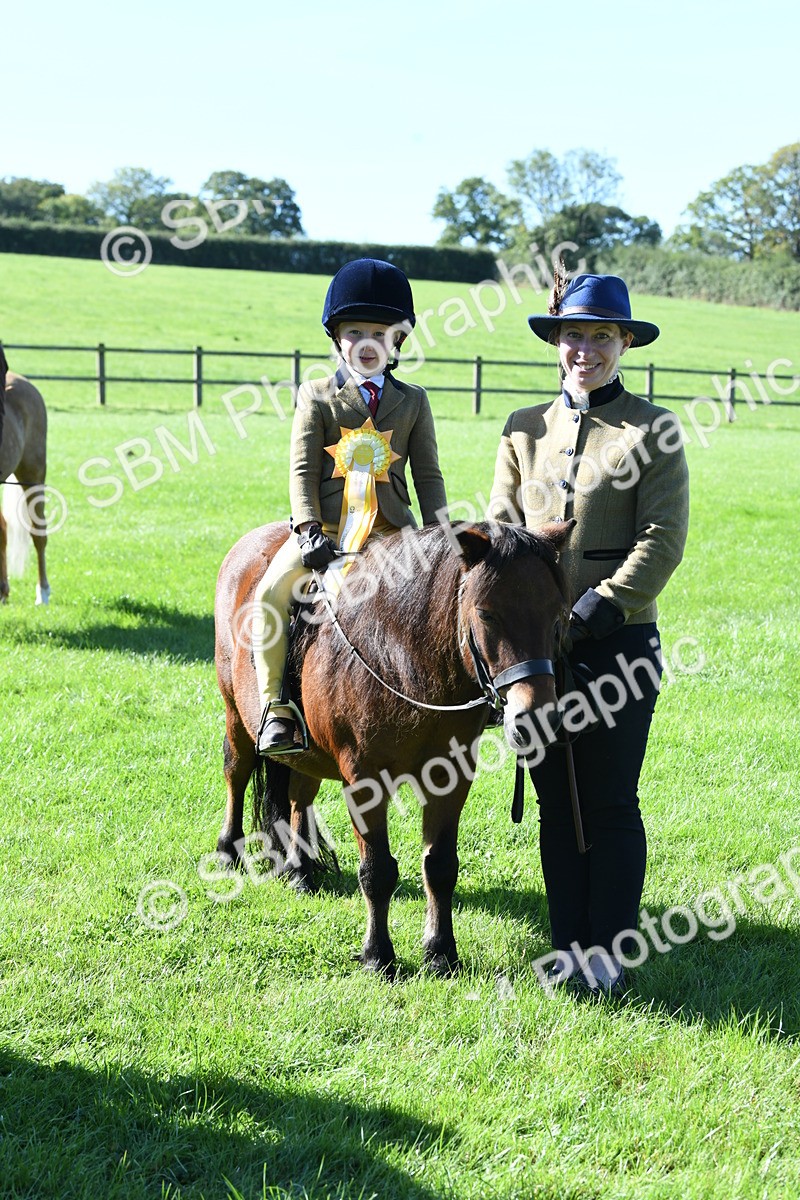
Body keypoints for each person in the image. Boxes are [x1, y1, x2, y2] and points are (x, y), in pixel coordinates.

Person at [489, 271, 690, 996]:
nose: (586, 349)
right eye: (574, 334)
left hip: (619, 647)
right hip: (536, 658)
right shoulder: (522, 427)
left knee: (608, 802)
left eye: (602, 336)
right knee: (555, 802)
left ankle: (608, 951)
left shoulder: (653, 429)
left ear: (625, 342)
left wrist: (601, 605)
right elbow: (502, 533)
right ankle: (567, 946)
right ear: (557, 341)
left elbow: (663, 538)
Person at [253, 257, 448, 754]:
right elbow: (301, 471)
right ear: (337, 337)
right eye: (355, 331)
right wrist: (307, 531)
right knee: (271, 593)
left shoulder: (414, 401)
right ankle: (276, 709)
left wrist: (441, 536)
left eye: (380, 333)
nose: (367, 342)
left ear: (398, 341)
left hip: (394, 533)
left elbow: (428, 476)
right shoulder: (316, 396)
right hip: (325, 533)